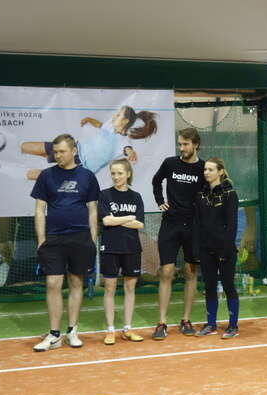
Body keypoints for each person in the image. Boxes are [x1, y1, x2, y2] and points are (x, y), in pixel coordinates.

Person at [31, 134, 99, 351]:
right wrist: (41, 239)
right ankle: (54, 335)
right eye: (55, 152)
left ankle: (72, 331)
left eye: (61, 151)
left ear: (74, 151)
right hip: (54, 239)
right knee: (53, 283)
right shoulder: (46, 176)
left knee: (76, 282)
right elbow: (39, 210)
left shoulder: (87, 176)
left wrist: (92, 238)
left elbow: (93, 210)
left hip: (81, 238)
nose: (57, 155)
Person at [151, 127, 205, 339]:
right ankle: (161, 322)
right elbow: (156, 181)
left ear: (195, 145)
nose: (181, 148)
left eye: (185, 144)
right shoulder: (170, 163)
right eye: (180, 144)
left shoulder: (203, 168)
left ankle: (186, 319)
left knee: (191, 272)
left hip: (193, 226)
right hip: (170, 224)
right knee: (166, 271)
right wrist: (160, 201)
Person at [18, 105, 157, 180]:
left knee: (37, 175)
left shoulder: (123, 141)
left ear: (125, 121)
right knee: (29, 148)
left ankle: (11, 171)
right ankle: (13, 152)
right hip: (73, 148)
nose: (114, 116)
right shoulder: (110, 125)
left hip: (79, 167)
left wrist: (131, 152)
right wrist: (90, 120)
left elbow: (127, 149)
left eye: (118, 114)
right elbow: (101, 125)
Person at [99, 158, 145, 345]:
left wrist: (116, 219)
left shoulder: (136, 197)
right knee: (110, 288)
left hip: (131, 248)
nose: (116, 177)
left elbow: (139, 224)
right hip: (110, 247)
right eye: (113, 173)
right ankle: (110, 330)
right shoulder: (104, 195)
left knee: (130, 288)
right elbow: (106, 221)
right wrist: (128, 217)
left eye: (119, 173)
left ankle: (127, 328)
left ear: (128, 174)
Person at [194, 157, 240, 338]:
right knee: (209, 286)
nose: (206, 172)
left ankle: (233, 326)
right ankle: (211, 324)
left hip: (225, 250)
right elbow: (197, 223)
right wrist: (197, 248)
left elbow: (232, 224)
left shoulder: (230, 194)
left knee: (228, 286)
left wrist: (225, 249)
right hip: (206, 249)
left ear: (220, 171)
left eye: (210, 169)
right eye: (205, 169)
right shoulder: (200, 194)